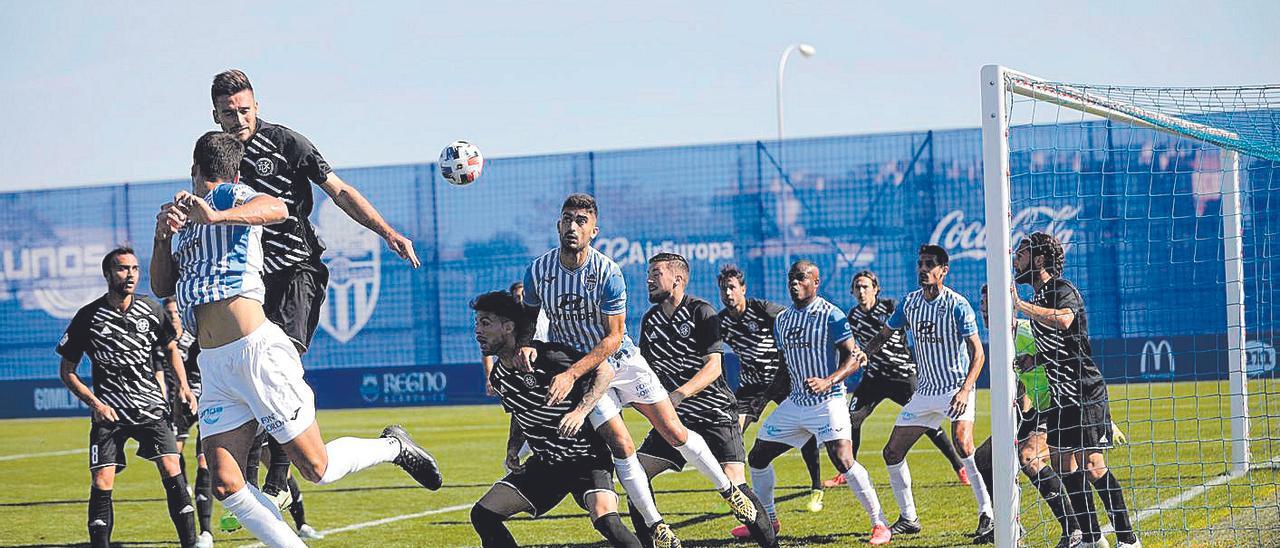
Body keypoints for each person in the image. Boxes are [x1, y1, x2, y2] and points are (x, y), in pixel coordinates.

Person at [150, 131, 441, 547]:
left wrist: (215, 216)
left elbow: (277, 207)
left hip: (256, 354)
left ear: (196, 169)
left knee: (316, 467)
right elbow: (162, 285)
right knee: (226, 483)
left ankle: (393, 446)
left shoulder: (234, 195)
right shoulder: (183, 219)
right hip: (213, 364)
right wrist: (162, 236)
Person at [209, 69, 421, 506]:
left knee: (279, 362)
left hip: (294, 270)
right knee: (253, 374)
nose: (237, 119)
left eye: (244, 110)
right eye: (228, 113)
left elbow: (339, 191)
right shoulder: (216, 158)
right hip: (247, 282)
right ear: (216, 114)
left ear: (257, 107)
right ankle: (258, 480)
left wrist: (387, 232)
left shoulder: (287, 144)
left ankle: (274, 483)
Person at [518, 193, 759, 547]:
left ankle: (729, 491)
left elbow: (613, 338)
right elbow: (528, 315)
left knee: (674, 432)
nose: (572, 226)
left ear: (594, 230)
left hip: (621, 361)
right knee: (621, 444)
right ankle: (657, 525)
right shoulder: (539, 271)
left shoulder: (606, 272)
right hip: (585, 372)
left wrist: (570, 374)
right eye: (567, 219)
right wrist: (526, 341)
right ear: (557, 225)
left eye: (581, 221)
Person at [470, 290, 641, 547]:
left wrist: (580, 411)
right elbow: (519, 411)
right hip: (547, 464)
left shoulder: (546, 356)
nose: (478, 331)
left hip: (586, 458)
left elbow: (604, 371)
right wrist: (513, 447)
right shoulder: (499, 376)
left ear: (508, 327)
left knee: (607, 521)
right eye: (476, 324)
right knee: (483, 514)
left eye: (485, 323)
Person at [57, 248, 198, 547]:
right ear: (108, 274)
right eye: (122, 269)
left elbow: (171, 347)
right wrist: (96, 404)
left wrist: (184, 387)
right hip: (111, 415)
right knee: (102, 482)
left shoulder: (151, 309)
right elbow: (67, 370)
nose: (130, 274)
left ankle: (191, 543)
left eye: (134, 268)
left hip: (150, 409)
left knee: (173, 470)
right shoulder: (88, 316)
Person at [634, 254, 777, 548]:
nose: (648, 279)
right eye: (648, 273)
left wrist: (677, 395)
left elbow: (713, 367)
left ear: (678, 279)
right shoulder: (650, 321)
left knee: (736, 488)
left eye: (655, 273)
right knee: (635, 477)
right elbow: (645, 372)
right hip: (675, 420)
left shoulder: (701, 311)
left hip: (715, 414)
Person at [744, 260, 891, 546]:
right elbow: (785, 366)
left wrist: (829, 380)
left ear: (815, 282)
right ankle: (770, 520)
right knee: (758, 457)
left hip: (829, 400)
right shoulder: (783, 320)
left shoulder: (831, 315)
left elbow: (854, 358)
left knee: (843, 458)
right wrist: (765, 397)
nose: (794, 284)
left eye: (801, 278)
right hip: (796, 403)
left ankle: (880, 523)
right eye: (791, 279)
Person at [1012, 232, 1140, 548]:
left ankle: (1127, 539)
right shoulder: (1040, 296)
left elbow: (1066, 321)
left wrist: (1018, 305)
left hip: (1083, 393)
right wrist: (1036, 358)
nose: (1016, 260)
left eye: (1022, 254)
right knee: (1062, 466)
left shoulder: (1061, 289)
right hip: (1060, 397)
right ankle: (1092, 539)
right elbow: (1065, 347)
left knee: (1093, 467)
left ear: (1039, 260)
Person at [863, 245, 992, 539]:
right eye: (920, 264)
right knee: (892, 452)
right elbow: (884, 335)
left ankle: (987, 512)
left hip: (955, 389)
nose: (922, 269)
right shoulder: (910, 303)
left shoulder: (958, 305)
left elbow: (978, 354)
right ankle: (909, 518)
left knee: (963, 443)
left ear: (943, 270)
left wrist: (965, 390)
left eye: (929, 264)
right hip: (925, 393)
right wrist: (862, 354)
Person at [824, 270, 967, 489]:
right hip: (874, 378)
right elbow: (852, 349)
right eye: (857, 287)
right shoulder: (852, 317)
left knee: (928, 425)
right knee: (852, 420)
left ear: (876, 289)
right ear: (852, 291)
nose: (861, 291)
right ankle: (846, 470)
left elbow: (917, 326)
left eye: (865, 287)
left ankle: (960, 467)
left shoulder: (891, 307)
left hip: (902, 376)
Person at [973, 285, 1082, 547]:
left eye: (991, 304)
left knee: (1028, 457)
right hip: (1034, 411)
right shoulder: (1001, 339)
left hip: (1058, 406)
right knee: (984, 457)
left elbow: (1067, 356)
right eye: (983, 304)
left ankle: (1074, 529)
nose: (985, 310)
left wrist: (1036, 359)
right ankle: (1010, 525)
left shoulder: (1025, 330)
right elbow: (1021, 383)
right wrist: (1021, 419)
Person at [716, 265, 826, 513]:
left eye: (732, 287)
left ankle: (816, 486)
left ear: (743, 289)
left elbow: (793, 318)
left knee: (805, 432)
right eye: (724, 289)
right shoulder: (721, 322)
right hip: (751, 386)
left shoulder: (762, 309)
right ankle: (743, 495)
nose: (728, 293)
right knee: (732, 434)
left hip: (781, 381)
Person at [159, 297, 216, 547]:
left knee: (205, 459)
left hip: (203, 400)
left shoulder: (195, 338)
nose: (173, 317)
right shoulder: (161, 341)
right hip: (176, 406)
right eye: (168, 313)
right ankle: (185, 491)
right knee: (174, 455)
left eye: (175, 313)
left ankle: (206, 531)